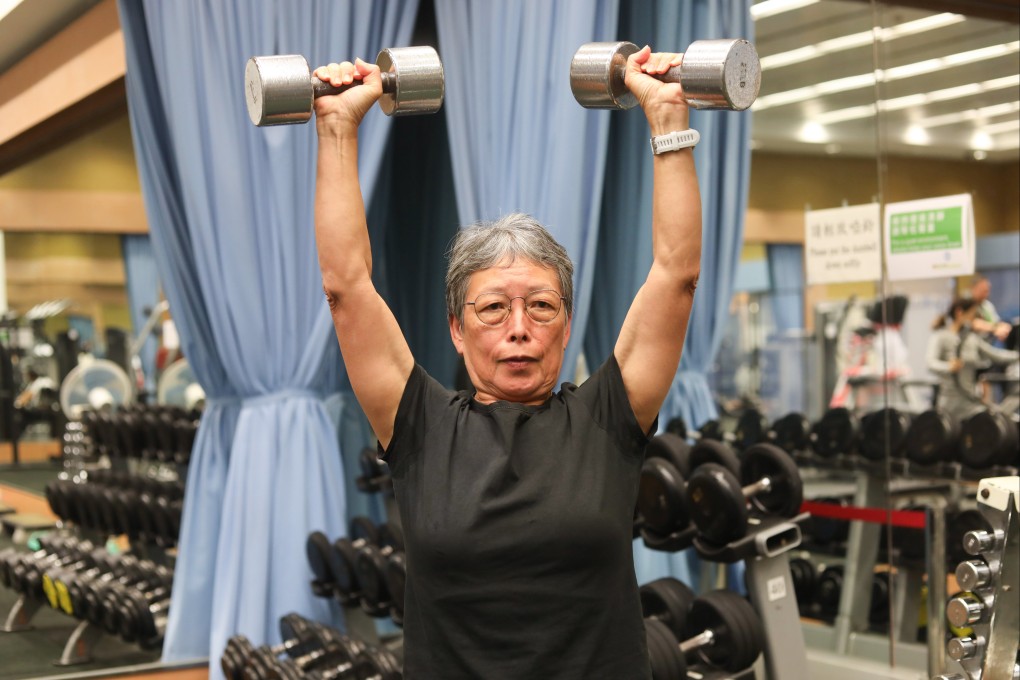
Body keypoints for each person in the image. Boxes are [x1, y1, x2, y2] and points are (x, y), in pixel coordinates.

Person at [312, 47, 701, 679]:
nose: (519, 329)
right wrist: (336, 126)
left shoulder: (610, 415)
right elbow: (346, 287)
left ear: (567, 324)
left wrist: (667, 115)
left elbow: (676, 274)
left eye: (542, 306)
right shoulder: (419, 427)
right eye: (493, 308)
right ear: (456, 330)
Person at [926, 297, 1019, 422]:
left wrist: (1017, 356)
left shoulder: (972, 338)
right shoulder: (941, 336)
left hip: (970, 402)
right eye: (972, 314)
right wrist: (948, 366)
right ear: (959, 312)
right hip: (948, 405)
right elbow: (930, 363)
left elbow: (995, 355)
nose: (974, 318)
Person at [968, 275, 1011, 342]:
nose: (987, 294)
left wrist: (1003, 326)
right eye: (983, 291)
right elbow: (973, 323)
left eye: (987, 290)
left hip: (988, 342)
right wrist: (995, 328)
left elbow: (996, 322)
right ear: (973, 289)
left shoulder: (987, 305)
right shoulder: (966, 303)